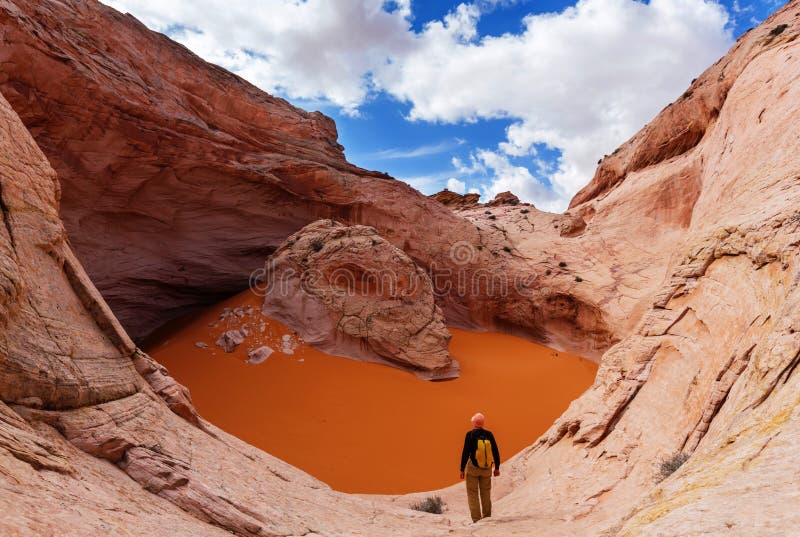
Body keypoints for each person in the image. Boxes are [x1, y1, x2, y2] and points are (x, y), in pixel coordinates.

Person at [459, 412, 500, 523]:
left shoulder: (470, 435)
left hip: (473, 468)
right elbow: (495, 451)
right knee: (485, 492)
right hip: (486, 468)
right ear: (483, 423)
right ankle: (486, 516)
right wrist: (497, 467)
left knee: (472, 493)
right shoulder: (489, 434)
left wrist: (462, 469)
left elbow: (465, 453)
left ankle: (476, 519)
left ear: (474, 423)